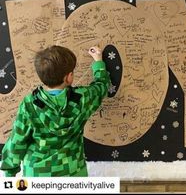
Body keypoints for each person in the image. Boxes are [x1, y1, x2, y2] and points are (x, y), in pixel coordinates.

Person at [0, 45, 110, 177]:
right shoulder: (83, 98)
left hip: (37, 178)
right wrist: (98, 62)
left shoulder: (29, 104)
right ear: (69, 77)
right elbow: (101, 86)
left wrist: (9, 173)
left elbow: (17, 142)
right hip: (73, 176)